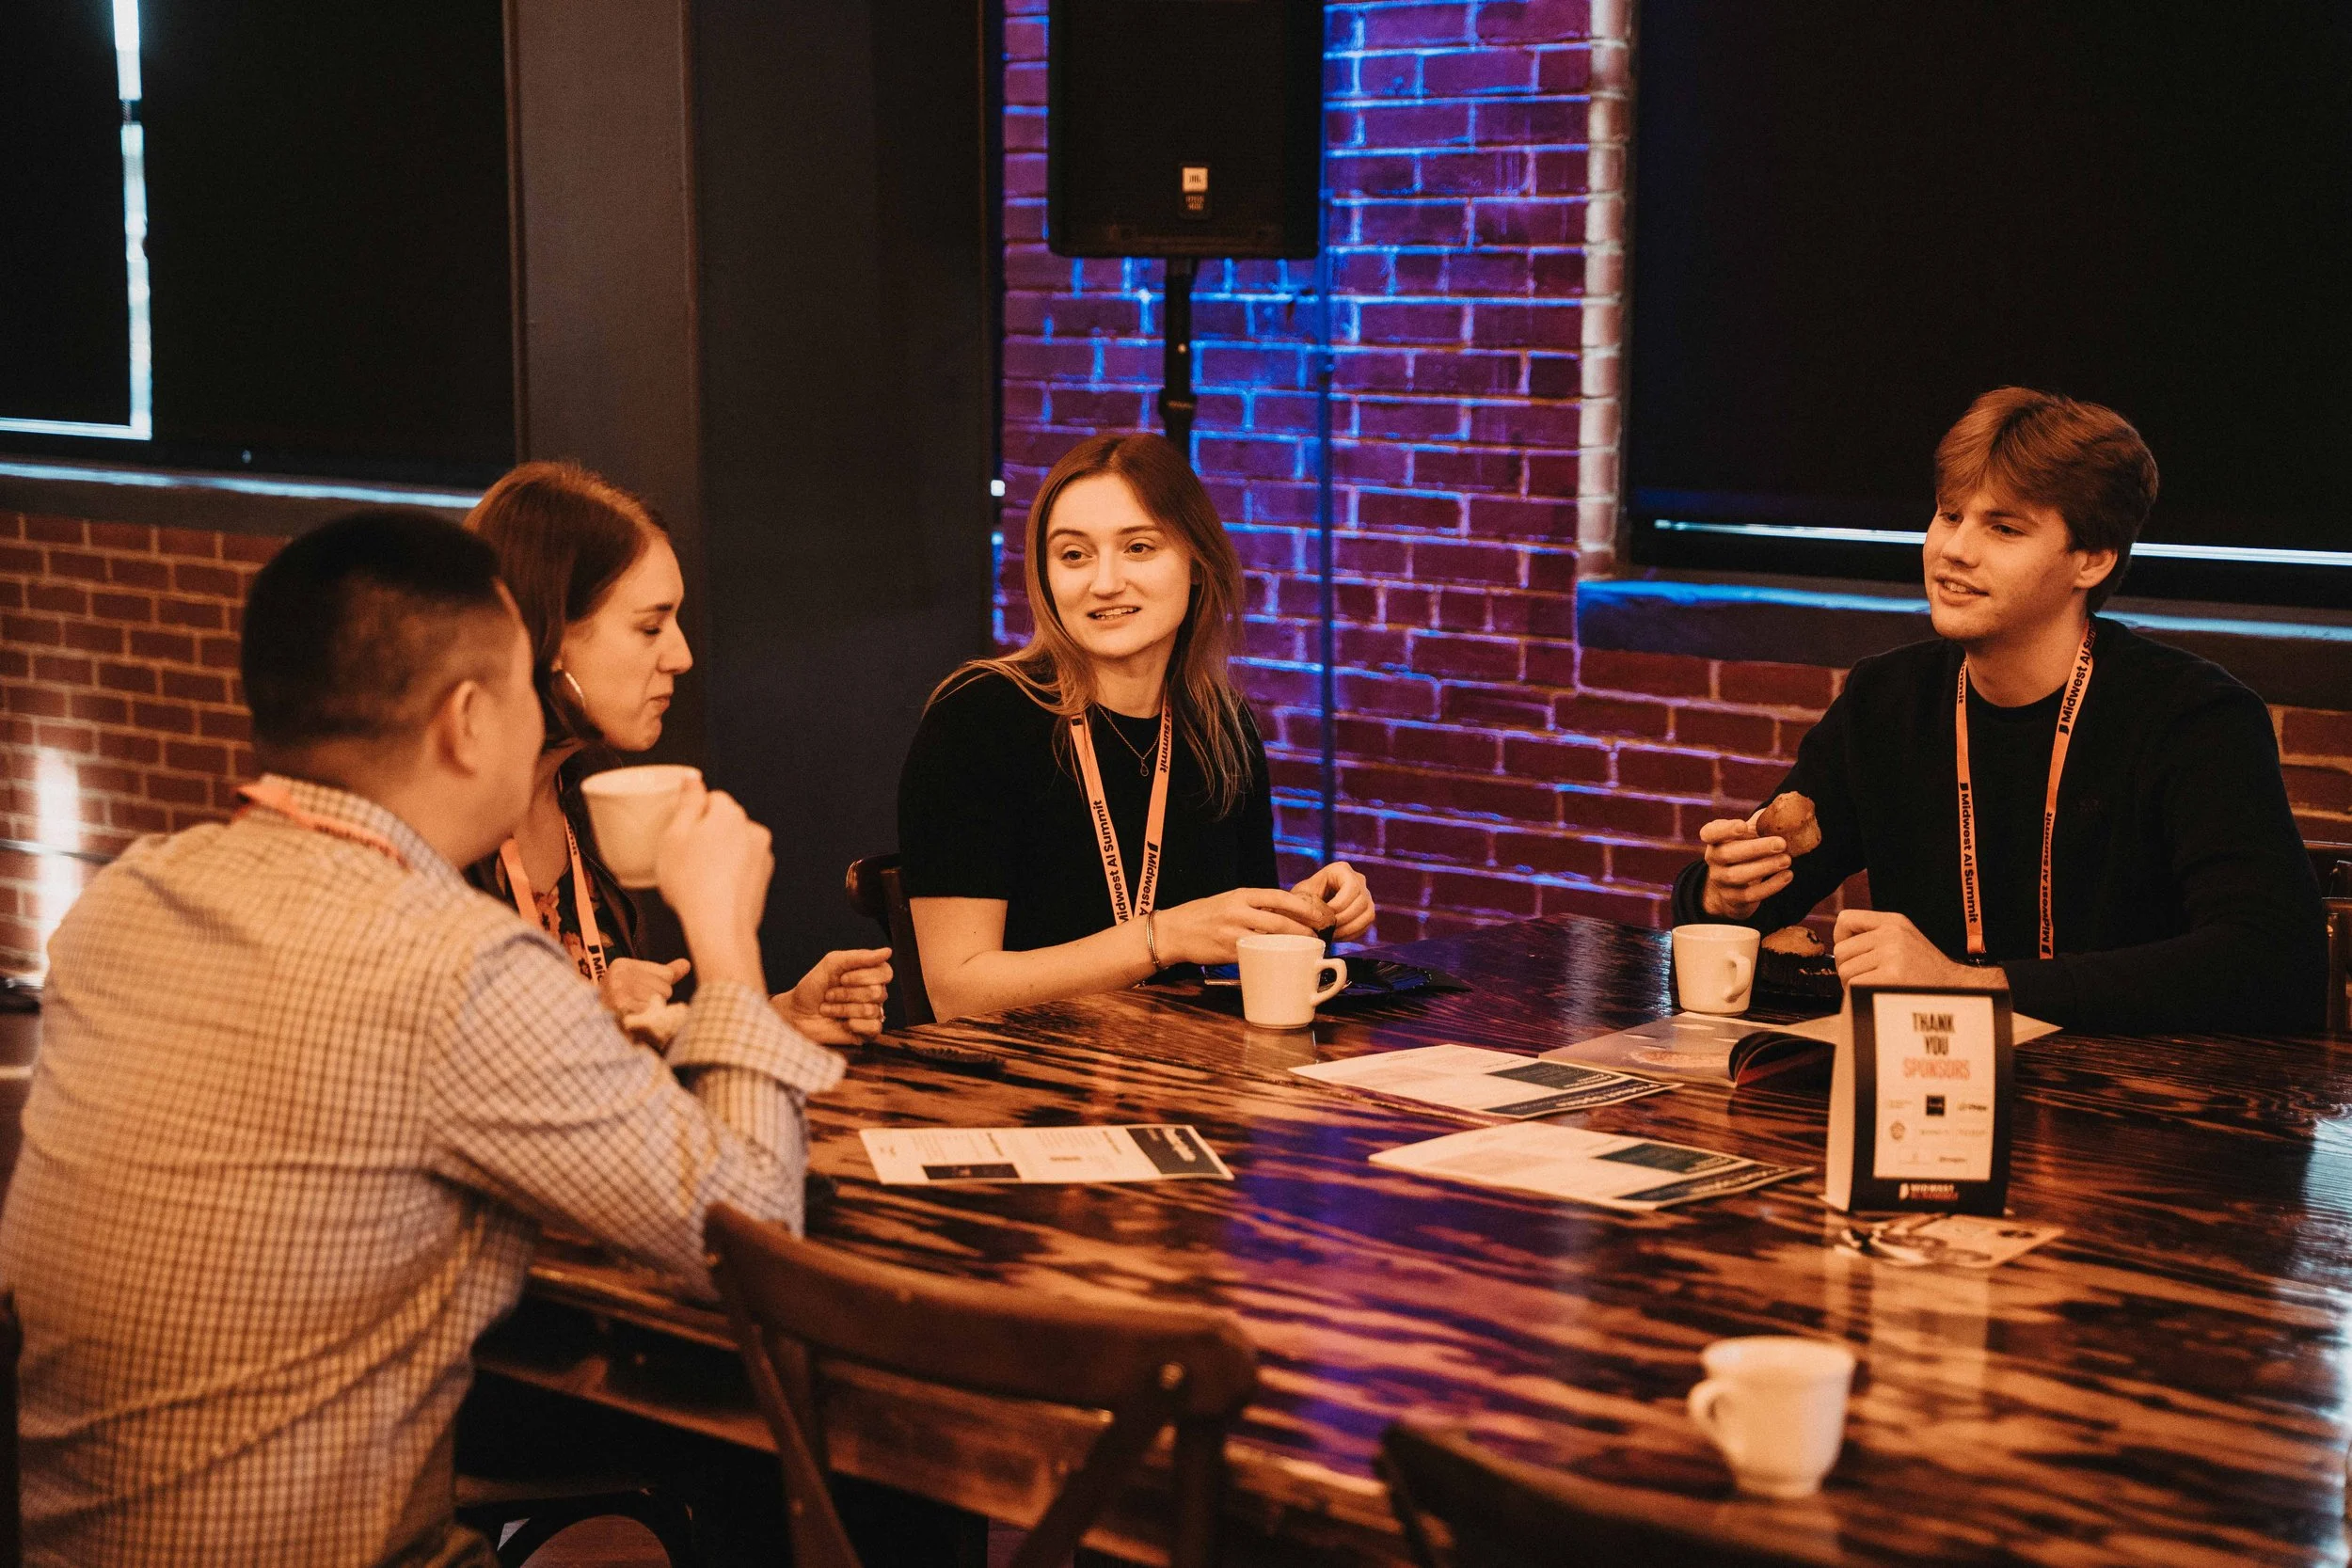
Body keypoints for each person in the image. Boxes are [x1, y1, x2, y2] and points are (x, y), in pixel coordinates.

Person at [0, 511, 843, 1567]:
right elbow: (755, 1233)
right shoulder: (460, 962)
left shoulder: (120, 901)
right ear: (466, 722)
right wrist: (725, 939)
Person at [1677, 387, 2325, 1034]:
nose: (1955, 550)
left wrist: (1974, 986)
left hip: (2144, 1107)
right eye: (1949, 514)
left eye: (2004, 527)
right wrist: (1721, 892)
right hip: (1934, 1092)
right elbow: (1745, 911)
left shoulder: (2195, 718)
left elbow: (2273, 961)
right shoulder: (1884, 703)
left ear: (2091, 559)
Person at [898, 433, 1375, 1022]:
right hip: (1025, 1084)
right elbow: (958, 991)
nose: (1104, 583)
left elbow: (1236, 959)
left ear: (1197, 563)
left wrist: (1310, 913)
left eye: (1139, 548)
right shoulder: (978, 718)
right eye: (1073, 555)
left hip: (1187, 1075)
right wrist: (1163, 936)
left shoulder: (1222, 727)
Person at [462, 460, 890, 1040]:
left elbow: (623, 1045)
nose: (681, 656)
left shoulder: (583, 793)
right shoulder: (444, 827)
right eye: (649, 627)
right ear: (552, 632)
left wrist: (777, 1019)